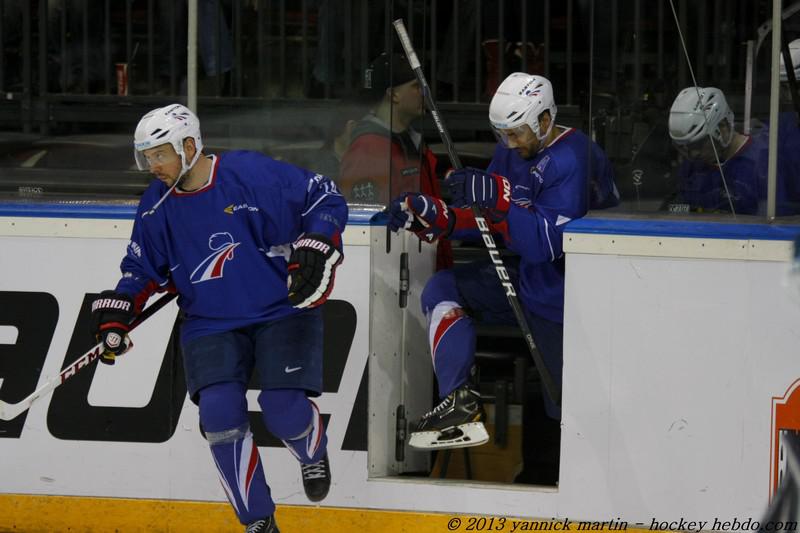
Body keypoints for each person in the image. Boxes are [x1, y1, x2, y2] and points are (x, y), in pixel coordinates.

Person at [88, 104, 347, 533]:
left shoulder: (250, 174)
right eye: (147, 157)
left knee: (283, 410)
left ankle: (311, 449)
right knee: (219, 414)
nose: (153, 166)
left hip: (282, 308)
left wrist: (319, 240)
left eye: (160, 154)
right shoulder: (155, 204)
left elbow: (325, 196)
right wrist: (122, 306)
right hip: (209, 320)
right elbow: (141, 269)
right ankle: (258, 520)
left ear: (190, 146)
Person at [386, 74, 618, 464]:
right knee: (444, 289)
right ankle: (459, 404)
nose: (509, 144)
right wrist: (439, 216)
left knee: (567, 418)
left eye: (516, 133)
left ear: (545, 120)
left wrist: (499, 199)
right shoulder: (514, 149)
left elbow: (547, 244)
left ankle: (561, 482)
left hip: (572, 299)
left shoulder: (576, 158)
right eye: (502, 134)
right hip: (530, 279)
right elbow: (487, 216)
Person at [339, 52, 453, 270]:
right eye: (415, 86)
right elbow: (369, 230)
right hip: (395, 275)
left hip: (421, 265)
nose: (424, 92)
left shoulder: (409, 141)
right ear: (393, 95)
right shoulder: (368, 149)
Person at [666, 86, 765, 215]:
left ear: (723, 127)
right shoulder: (692, 167)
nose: (693, 154)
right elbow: (673, 210)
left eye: (699, 143)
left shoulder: (761, 164)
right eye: (686, 146)